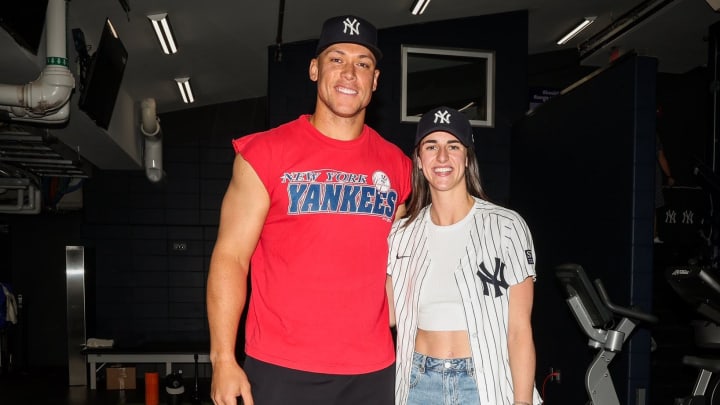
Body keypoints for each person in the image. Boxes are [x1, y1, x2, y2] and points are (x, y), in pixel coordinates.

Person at [206, 15, 412, 405]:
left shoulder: (399, 167)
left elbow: (397, 268)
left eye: (363, 64)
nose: (350, 73)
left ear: (376, 81)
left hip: (373, 371)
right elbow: (231, 258)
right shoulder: (263, 154)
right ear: (315, 69)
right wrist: (222, 359)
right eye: (337, 59)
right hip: (283, 369)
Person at [387, 106, 542, 405]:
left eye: (453, 146)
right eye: (431, 146)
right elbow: (388, 314)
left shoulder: (507, 226)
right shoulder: (402, 235)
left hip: (484, 381)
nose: (442, 157)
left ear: (467, 157)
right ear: (419, 160)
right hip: (418, 382)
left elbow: (519, 331)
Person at [654, 133, 674, 244]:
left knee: (653, 206)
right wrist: (669, 176)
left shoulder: (654, 135)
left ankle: (654, 235)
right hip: (645, 177)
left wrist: (669, 175)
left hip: (653, 176)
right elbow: (661, 157)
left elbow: (661, 156)